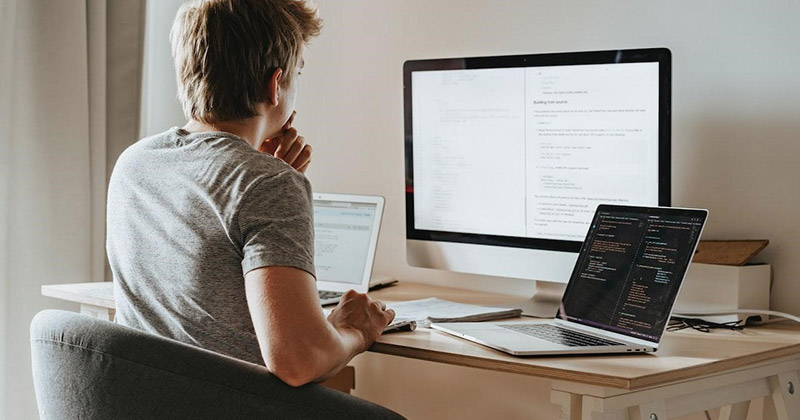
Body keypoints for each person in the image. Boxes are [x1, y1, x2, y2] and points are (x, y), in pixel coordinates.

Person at [107, 0, 401, 417]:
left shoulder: (134, 163)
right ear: (275, 84)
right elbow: (298, 361)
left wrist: (263, 171)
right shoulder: (268, 183)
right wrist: (353, 329)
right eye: (297, 73)